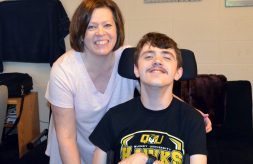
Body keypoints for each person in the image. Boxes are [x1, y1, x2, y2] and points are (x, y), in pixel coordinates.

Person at [45, 0, 211, 164]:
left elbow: (158, 89)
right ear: (81, 33)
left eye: (107, 25)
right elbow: (66, 136)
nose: (100, 32)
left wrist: (193, 113)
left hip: (111, 145)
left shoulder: (126, 58)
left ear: (118, 29)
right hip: (71, 148)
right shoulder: (64, 70)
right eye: (91, 26)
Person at [89, 32, 207, 164]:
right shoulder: (113, 117)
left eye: (167, 57)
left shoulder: (192, 120)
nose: (157, 61)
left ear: (178, 73)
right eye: (149, 56)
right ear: (136, 70)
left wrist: (148, 161)